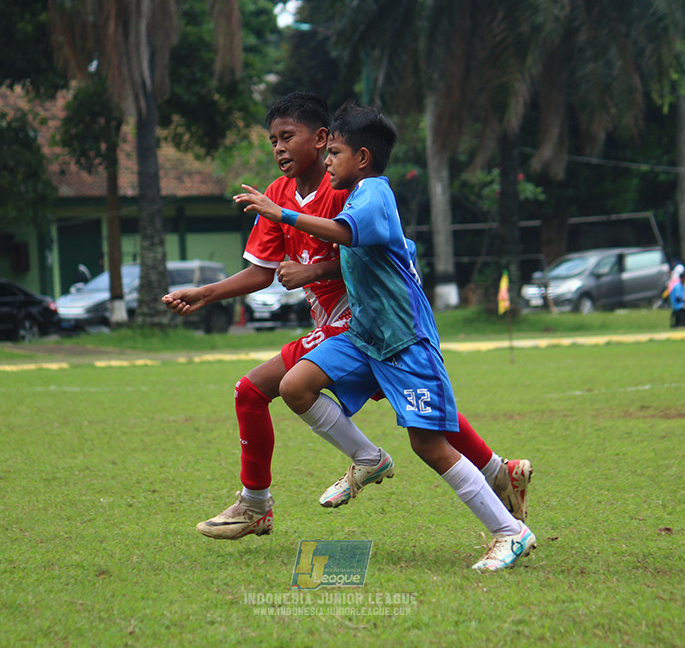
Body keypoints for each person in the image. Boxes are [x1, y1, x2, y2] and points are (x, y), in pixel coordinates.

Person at [163, 92, 531, 542]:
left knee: (264, 390)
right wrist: (204, 294)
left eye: (288, 137)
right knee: (422, 419)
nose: (278, 148)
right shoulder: (281, 192)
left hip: (362, 323)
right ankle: (497, 472)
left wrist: (313, 266)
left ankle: (268, 499)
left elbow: (386, 252)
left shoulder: (356, 189)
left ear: (322, 140)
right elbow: (262, 272)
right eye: (273, 140)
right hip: (355, 330)